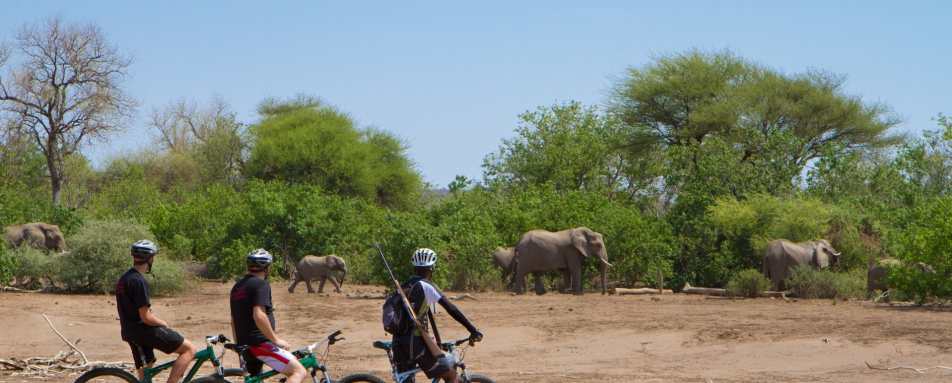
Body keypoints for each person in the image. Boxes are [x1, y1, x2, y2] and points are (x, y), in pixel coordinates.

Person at [392, 248, 483, 383]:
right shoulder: (426, 285)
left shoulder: (404, 286)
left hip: (399, 343)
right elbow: (452, 309)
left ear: (414, 267)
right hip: (416, 344)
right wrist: (473, 330)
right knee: (450, 375)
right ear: (432, 268)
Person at [115, 240, 196, 383]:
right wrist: (163, 323)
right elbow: (146, 317)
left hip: (129, 331)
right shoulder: (138, 281)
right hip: (143, 330)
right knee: (189, 349)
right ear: (150, 258)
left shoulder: (124, 278)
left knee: (147, 368)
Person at [230, 249, 307, 383]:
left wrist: (239, 346)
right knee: (298, 371)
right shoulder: (261, 284)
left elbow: (233, 320)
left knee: (256, 380)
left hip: (245, 347)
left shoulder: (237, 287)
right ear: (267, 268)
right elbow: (259, 315)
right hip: (260, 345)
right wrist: (276, 340)